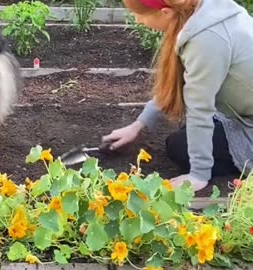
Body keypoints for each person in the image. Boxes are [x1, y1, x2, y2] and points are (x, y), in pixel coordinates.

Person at [102, 0, 253, 192]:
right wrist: (138, 125)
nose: (137, 20)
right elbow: (183, 85)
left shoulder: (206, 39)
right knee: (189, 132)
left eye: (140, 14)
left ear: (166, 13)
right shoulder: (205, 11)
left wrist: (199, 174)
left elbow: (199, 109)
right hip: (244, 111)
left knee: (180, 148)